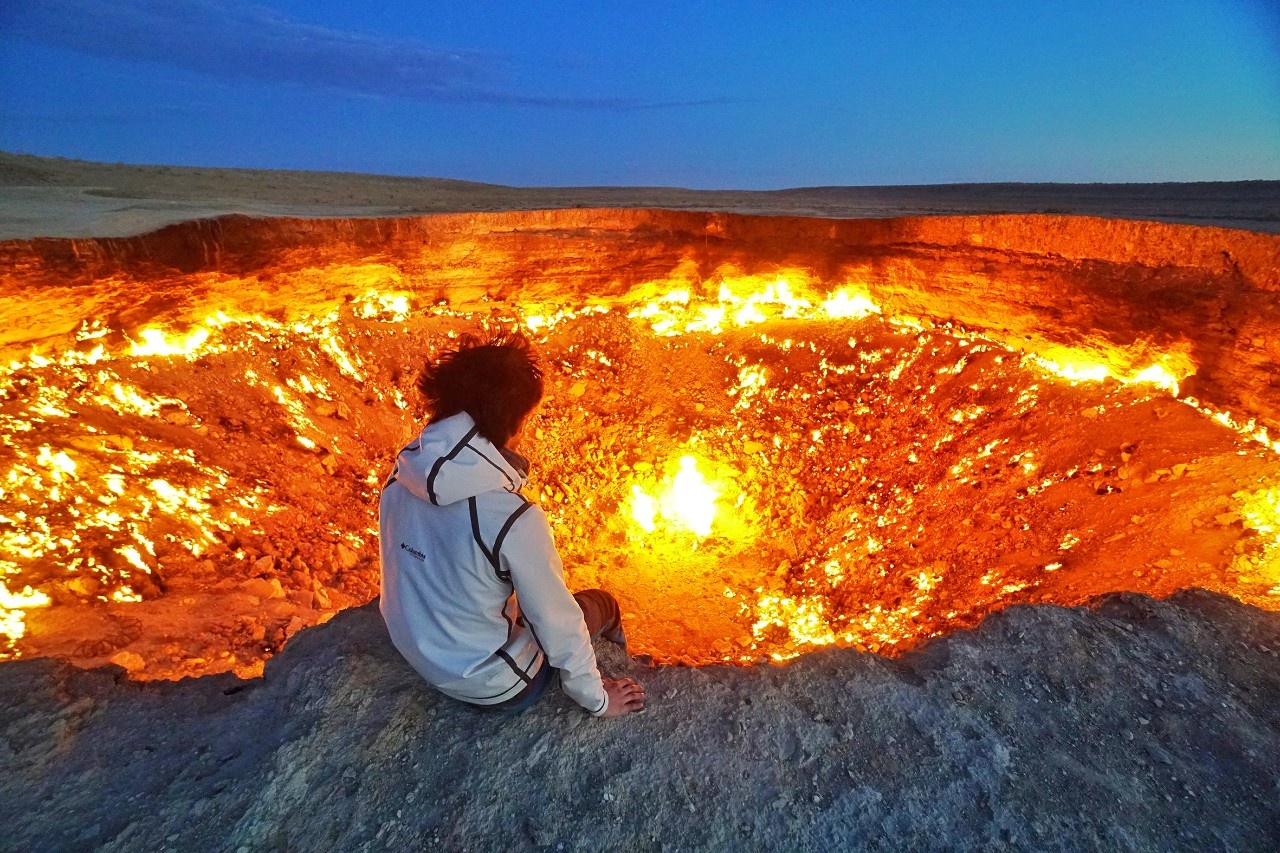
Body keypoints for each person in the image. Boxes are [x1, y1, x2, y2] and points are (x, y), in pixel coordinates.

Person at [378, 332, 645, 718]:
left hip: (413, 646)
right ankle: (621, 664)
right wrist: (596, 699)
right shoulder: (510, 516)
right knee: (599, 604)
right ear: (513, 423)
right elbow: (556, 621)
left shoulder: (401, 474)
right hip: (491, 681)